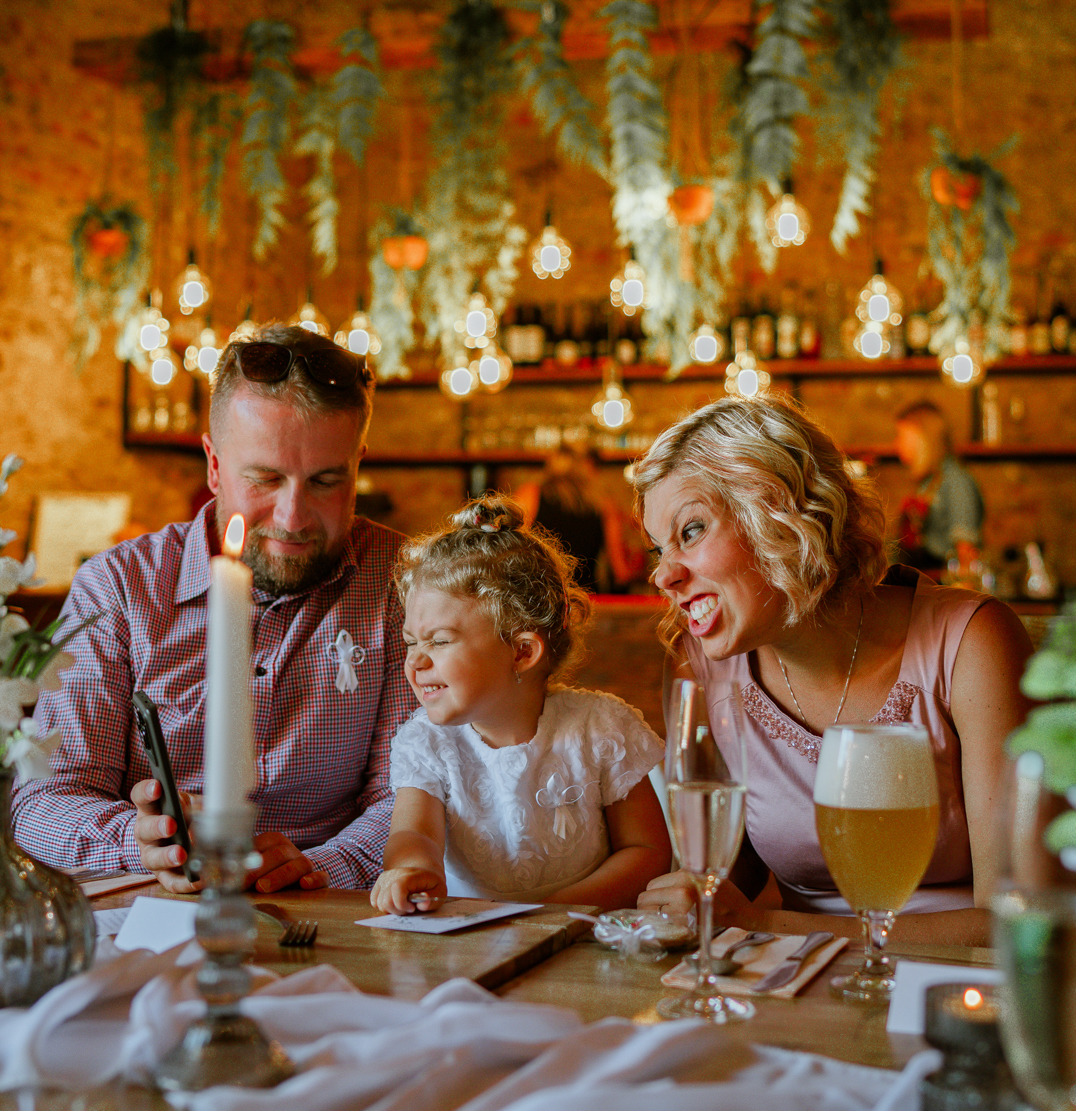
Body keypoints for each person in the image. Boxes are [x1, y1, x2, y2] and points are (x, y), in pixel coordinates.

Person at [13, 324, 416, 894]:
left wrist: (320, 867)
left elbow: (413, 794)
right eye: (265, 479)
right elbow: (42, 801)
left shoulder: (406, 584)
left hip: (340, 906)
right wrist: (139, 842)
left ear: (358, 465)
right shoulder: (118, 589)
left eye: (326, 481)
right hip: (155, 904)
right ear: (214, 464)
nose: (293, 517)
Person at [632, 393, 1033, 947]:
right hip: (794, 981)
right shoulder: (700, 667)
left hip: (954, 982)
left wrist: (766, 925)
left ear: (778, 509)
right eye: (659, 550)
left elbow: (1020, 923)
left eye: (691, 531)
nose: (663, 576)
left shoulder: (971, 642)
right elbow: (726, 877)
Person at [370, 495, 671, 914]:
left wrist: (552, 914)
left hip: (584, 932)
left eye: (438, 641)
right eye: (410, 643)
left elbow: (646, 851)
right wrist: (411, 870)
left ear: (522, 652)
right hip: (471, 935)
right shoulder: (427, 742)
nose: (415, 662)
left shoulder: (601, 729)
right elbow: (413, 834)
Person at [514, 447, 641, 593]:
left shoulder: (530, 494)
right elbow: (621, 572)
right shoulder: (605, 505)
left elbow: (511, 551)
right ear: (587, 467)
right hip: (585, 597)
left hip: (539, 596)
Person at [894, 400, 985, 576]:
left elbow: (966, 552)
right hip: (927, 580)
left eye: (901, 435)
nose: (896, 443)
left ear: (922, 438)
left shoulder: (956, 481)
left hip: (943, 584)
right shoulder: (929, 482)